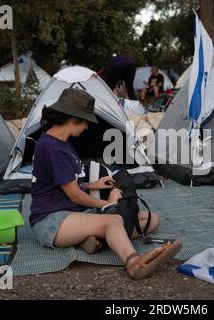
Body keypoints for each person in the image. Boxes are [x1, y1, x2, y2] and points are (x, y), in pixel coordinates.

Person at [30, 88, 182, 280]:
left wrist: (94, 185)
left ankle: (95, 240)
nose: (86, 128)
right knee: (114, 220)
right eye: (85, 122)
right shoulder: (52, 147)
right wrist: (108, 204)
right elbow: (74, 195)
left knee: (149, 220)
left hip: (73, 214)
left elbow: (63, 183)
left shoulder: (62, 143)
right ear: (75, 118)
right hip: (51, 221)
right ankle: (134, 262)